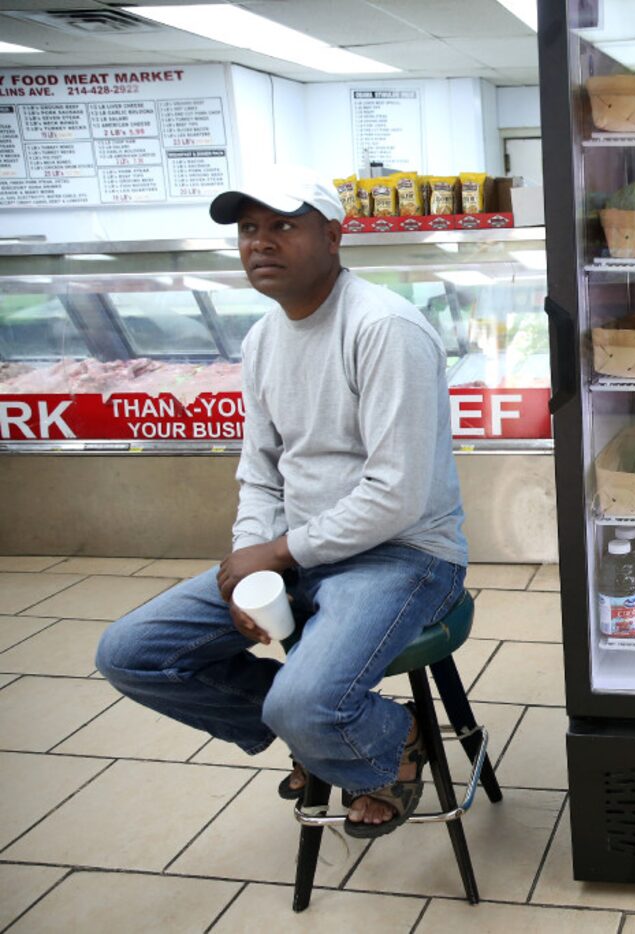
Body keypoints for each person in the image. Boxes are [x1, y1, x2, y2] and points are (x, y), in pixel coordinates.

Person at [95, 165, 469, 838]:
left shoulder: (385, 329)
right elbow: (261, 469)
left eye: (283, 226)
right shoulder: (264, 338)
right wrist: (250, 563)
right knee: (130, 652)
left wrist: (278, 551)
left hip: (403, 557)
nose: (260, 243)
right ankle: (320, 732)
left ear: (333, 236)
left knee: (310, 700)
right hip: (298, 551)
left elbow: (398, 496)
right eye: (248, 230)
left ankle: (388, 742)